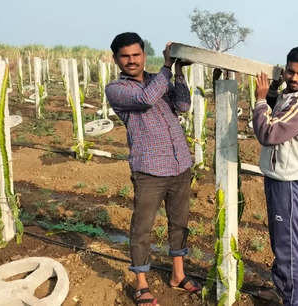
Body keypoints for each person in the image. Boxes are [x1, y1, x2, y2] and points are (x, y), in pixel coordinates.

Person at [105, 32, 200, 306]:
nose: (132, 61)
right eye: (125, 56)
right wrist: (168, 67)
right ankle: (142, 285)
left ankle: (178, 275)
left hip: (179, 164)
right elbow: (147, 99)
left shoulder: (159, 81)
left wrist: (179, 71)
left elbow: (182, 105)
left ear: (144, 55)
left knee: (179, 222)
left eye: (136, 55)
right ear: (116, 59)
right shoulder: (118, 89)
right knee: (142, 228)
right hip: (149, 170)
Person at [252, 47, 298, 306]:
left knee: (288, 246)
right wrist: (270, 93)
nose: (294, 78)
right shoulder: (290, 96)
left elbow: (269, 132)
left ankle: (295, 301)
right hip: (278, 176)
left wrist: (260, 100)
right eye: (290, 71)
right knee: (281, 240)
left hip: (288, 182)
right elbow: (276, 111)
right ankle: (284, 291)